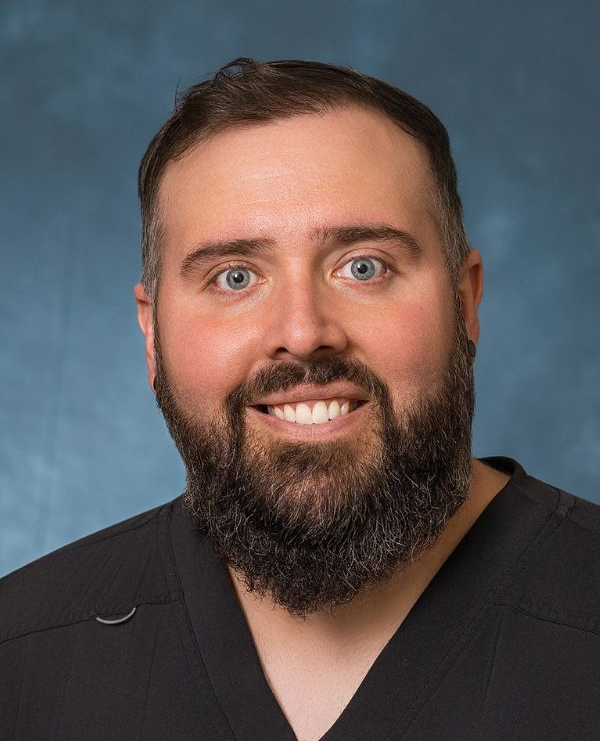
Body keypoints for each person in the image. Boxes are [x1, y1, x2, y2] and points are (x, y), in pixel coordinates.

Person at [1, 58, 598, 741]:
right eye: (234, 276)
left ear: (465, 300)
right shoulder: (20, 661)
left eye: (363, 267)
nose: (303, 333)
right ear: (151, 332)